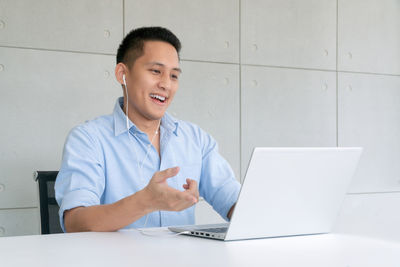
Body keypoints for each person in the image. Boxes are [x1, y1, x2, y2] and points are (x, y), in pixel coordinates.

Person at [55, 26, 240, 232]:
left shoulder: (196, 139)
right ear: (122, 74)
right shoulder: (88, 139)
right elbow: (76, 223)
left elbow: (234, 200)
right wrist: (144, 202)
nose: (166, 85)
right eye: (156, 71)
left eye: (174, 76)